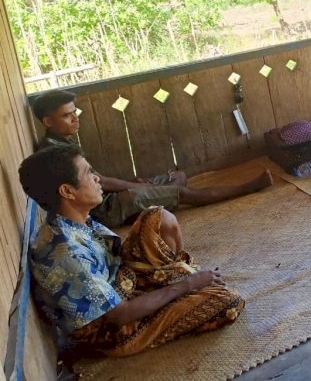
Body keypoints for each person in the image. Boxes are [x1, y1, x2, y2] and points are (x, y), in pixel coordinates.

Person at [19, 144, 245, 357]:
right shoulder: (68, 253)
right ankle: (181, 284)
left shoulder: (72, 221)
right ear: (67, 191)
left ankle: (177, 280)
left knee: (158, 218)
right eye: (89, 174)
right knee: (226, 301)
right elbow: (119, 314)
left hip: (120, 281)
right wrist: (188, 284)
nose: (97, 179)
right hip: (113, 328)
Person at [32, 90, 273, 228]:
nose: (75, 118)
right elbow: (101, 183)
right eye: (67, 115)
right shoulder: (56, 154)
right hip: (105, 208)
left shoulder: (63, 140)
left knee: (179, 176)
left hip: (109, 194)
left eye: (75, 112)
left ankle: (150, 204)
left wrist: (137, 184)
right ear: (48, 122)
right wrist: (137, 186)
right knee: (186, 193)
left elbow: (99, 180)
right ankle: (248, 187)